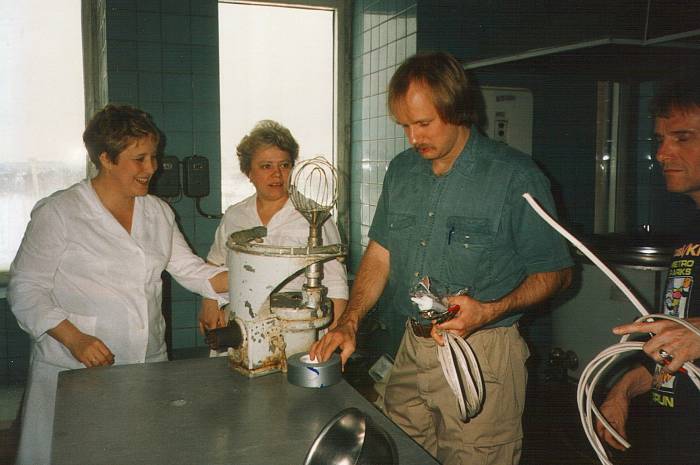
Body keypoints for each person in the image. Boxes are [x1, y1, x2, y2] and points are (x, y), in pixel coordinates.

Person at [310, 52, 573, 465]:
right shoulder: (402, 171)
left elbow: (557, 272)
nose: (413, 138)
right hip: (412, 347)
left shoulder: (514, 177)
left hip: (481, 352)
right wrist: (349, 322)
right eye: (405, 126)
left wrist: (489, 310)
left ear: (458, 110)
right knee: (395, 450)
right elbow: (380, 254)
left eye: (423, 123)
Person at [7, 104, 229, 465]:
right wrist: (74, 338)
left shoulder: (157, 212)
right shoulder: (60, 213)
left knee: (137, 451)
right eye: (139, 159)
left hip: (145, 361)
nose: (152, 169)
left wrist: (258, 276)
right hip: (74, 365)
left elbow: (191, 270)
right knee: (74, 454)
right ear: (106, 159)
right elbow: (26, 288)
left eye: (153, 157)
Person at [596, 80, 700, 465]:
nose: (662, 153)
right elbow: (677, 347)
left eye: (682, 138)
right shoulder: (691, 229)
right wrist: (623, 390)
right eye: (660, 139)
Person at [198, 120, 348, 336]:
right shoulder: (234, 216)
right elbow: (214, 263)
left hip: (298, 328)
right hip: (242, 324)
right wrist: (209, 302)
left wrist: (331, 337)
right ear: (249, 172)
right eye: (266, 166)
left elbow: (336, 285)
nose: (277, 174)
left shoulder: (316, 219)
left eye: (284, 165)